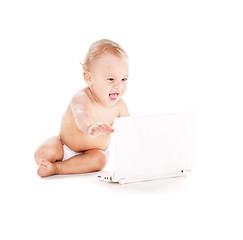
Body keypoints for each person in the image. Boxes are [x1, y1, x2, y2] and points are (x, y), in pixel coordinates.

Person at [34, 39, 130, 177]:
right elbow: (81, 115)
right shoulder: (82, 97)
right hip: (64, 146)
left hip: (93, 152)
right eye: (111, 79)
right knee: (43, 154)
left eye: (124, 79)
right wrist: (90, 127)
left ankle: (58, 168)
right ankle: (56, 162)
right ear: (89, 78)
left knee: (100, 160)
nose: (119, 86)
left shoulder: (120, 106)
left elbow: (129, 131)